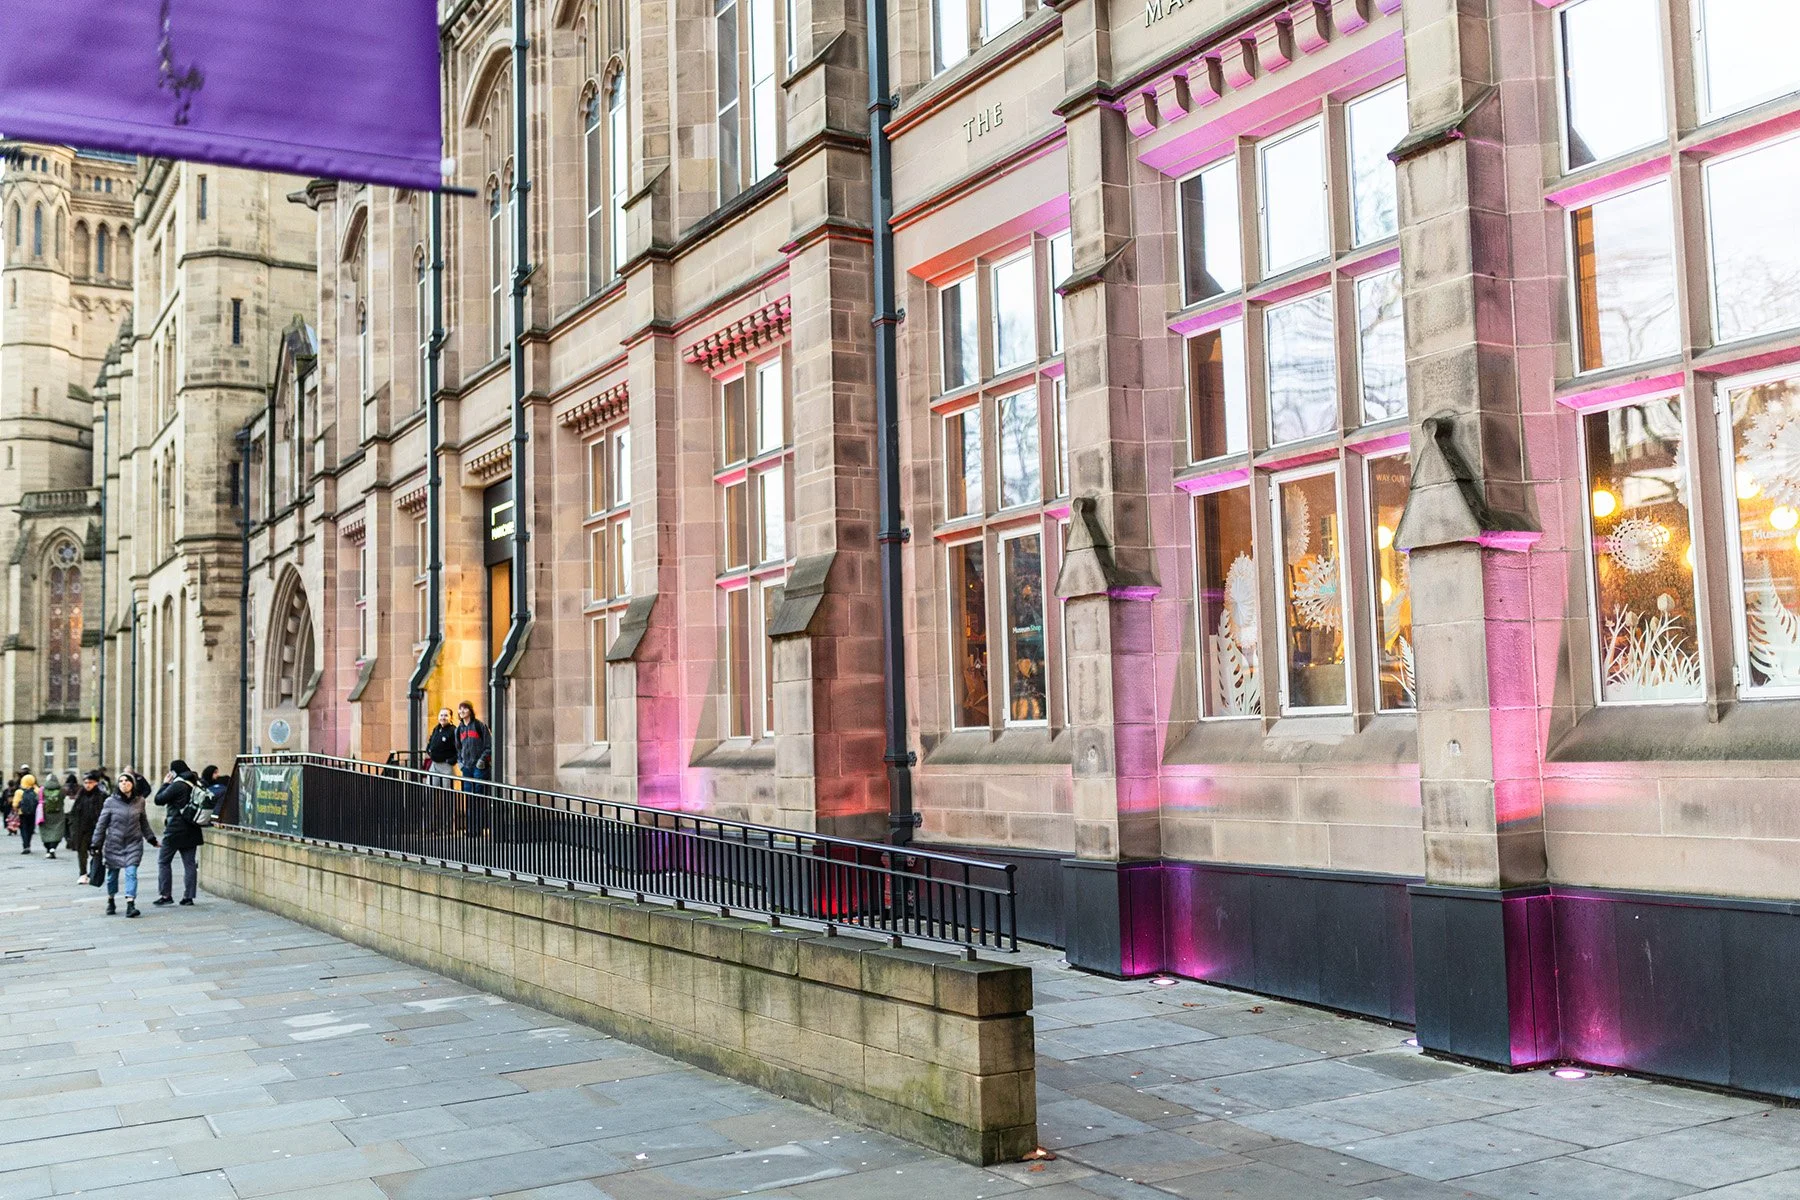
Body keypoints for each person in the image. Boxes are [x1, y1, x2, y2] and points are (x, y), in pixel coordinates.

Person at [92, 773, 157, 917]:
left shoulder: (139, 801)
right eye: (121, 781)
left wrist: (151, 838)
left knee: (131, 873)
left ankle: (130, 903)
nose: (124, 783)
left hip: (133, 843)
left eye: (127, 781)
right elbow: (101, 825)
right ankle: (111, 899)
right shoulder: (110, 802)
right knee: (112, 876)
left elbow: (143, 822)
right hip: (114, 844)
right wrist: (95, 844)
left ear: (133, 784)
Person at [153, 760, 204, 907]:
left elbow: (158, 800)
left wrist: (165, 784)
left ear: (173, 772)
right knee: (189, 864)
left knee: (163, 861)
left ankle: (165, 895)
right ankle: (188, 897)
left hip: (175, 830)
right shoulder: (195, 782)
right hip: (193, 828)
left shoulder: (177, 785)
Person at [456, 701, 491, 835]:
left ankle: (479, 827)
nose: (462, 711)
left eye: (465, 709)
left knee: (479, 797)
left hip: (479, 766)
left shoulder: (479, 726)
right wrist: (460, 762)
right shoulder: (459, 729)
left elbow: (488, 745)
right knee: (469, 798)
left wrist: (482, 760)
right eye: (460, 709)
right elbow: (458, 748)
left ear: (470, 710)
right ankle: (471, 829)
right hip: (467, 767)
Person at [68, 770, 107, 883]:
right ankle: (83, 873)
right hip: (82, 829)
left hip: (96, 829)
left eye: (90, 782)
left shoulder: (101, 796)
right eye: (85, 782)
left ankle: (94, 873)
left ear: (96, 783)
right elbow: (74, 813)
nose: (87, 785)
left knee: (96, 852)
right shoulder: (81, 796)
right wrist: (73, 828)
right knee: (82, 851)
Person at [37, 776, 66, 860]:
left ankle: (48, 849)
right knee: (57, 832)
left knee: (45, 832)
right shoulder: (61, 790)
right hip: (58, 815)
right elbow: (63, 798)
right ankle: (53, 848)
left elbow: (37, 799)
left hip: (45, 815)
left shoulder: (42, 790)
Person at [13, 773, 42, 854]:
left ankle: (25, 845)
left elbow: (15, 804)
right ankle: (28, 843)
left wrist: (15, 810)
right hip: (33, 813)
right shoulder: (37, 790)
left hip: (22, 813)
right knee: (30, 829)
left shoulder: (19, 791)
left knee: (23, 829)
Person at [426, 708, 458, 778]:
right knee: (431, 787)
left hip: (446, 765)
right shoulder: (436, 729)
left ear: (451, 718)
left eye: (446, 715)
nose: (443, 718)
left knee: (446, 788)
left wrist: (452, 760)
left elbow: (459, 748)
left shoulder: (453, 730)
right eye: (441, 715)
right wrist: (429, 750)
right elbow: (431, 741)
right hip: (434, 764)